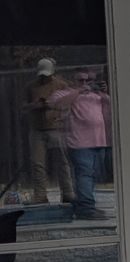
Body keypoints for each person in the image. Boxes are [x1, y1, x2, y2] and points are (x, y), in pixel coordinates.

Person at [49, 70, 111, 221]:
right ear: (73, 81)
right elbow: (56, 104)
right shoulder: (66, 93)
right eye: (81, 80)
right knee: (84, 175)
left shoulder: (97, 95)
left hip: (100, 141)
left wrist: (105, 93)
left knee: (92, 176)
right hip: (79, 143)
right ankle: (86, 210)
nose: (85, 83)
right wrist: (79, 91)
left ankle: (84, 205)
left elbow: (112, 109)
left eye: (88, 80)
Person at [25, 58, 74, 206]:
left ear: (52, 72)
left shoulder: (61, 85)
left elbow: (69, 105)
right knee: (38, 164)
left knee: (63, 162)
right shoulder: (31, 87)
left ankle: (67, 193)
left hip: (56, 128)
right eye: (42, 75)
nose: (44, 77)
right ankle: (40, 195)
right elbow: (23, 107)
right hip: (37, 130)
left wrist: (52, 105)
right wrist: (35, 105)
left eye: (46, 74)